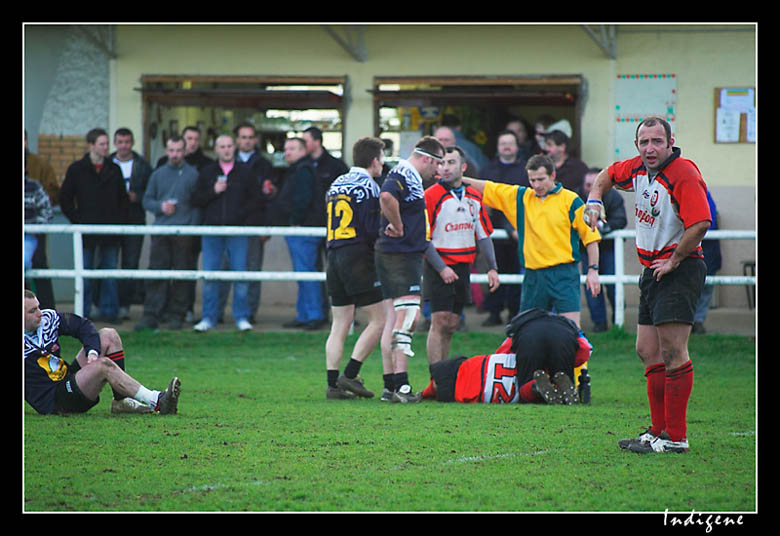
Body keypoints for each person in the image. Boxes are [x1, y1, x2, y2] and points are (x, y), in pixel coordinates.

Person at [585, 116, 711, 454]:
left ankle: (676, 437)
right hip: (652, 270)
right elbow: (607, 175)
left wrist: (674, 260)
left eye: (657, 141)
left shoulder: (683, 173)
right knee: (647, 350)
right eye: (644, 142)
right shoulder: (638, 168)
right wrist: (594, 198)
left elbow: (699, 224)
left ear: (671, 142)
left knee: (673, 352)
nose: (650, 148)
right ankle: (657, 431)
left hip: (679, 269)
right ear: (637, 145)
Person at [464, 154, 602, 329]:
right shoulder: (521, 197)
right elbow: (488, 187)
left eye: (541, 179)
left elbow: (591, 237)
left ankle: (577, 357)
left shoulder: (571, 200)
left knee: (572, 330)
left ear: (552, 176)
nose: (536, 185)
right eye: (532, 180)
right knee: (527, 330)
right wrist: (458, 179)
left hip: (564, 274)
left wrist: (593, 270)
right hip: (533, 275)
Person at [24, 290, 181, 416]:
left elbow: (82, 325)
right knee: (103, 366)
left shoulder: (47, 319)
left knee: (108, 335)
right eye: (33, 311)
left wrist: (93, 351)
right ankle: (158, 401)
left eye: (38, 307)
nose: (40, 313)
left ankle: (121, 401)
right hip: (56, 400)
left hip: (67, 380)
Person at [375, 136, 445, 403]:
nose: (437, 172)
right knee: (408, 318)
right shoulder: (404, 172)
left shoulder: (409, 175)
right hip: (401, 255)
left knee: (394, 320)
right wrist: (400, 226)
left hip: (398, 254)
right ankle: (402, 386)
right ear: (426, 158)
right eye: (436, 164)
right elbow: (386, 196)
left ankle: (389, 385)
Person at [421, 308, 592, 405]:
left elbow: (502, 352)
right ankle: (565, 388)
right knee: (560, 375)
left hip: (528, 337)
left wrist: (423, 394)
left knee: (525, 388)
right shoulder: (567, 325)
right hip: (564, 337)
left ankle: (535, 388)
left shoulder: (519, 327)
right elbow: (585, 350)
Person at [424, 145, 499, 365]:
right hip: (439, 266)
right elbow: (423, 238)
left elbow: (484, 235)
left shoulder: (474, 196)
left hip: (463, 267)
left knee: (452, 324)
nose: (445, 168)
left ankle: (443, 375)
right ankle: (435, 379)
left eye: (451, 163)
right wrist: (441, 268)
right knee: (439, 321)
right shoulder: (431, 196)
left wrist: (492, 267)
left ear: (463, 167)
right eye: (442, 163)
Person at [324, 137, 387, 399]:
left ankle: (332, 385)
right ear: (374, 161)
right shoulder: (370, 186)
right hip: (356, 255)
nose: (383, 164)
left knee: (340, 322)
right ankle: (350, 375)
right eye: (382, 158)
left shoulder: (336, 183)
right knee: (380, 319)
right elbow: (371, 229)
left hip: (333, 253)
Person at [190, 134, 263, 332]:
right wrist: (213, 191)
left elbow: (256, 200)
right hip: (212, 230)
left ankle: (241, 318)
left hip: (238, 231)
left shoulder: (245, 172)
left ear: (235, 147)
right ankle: (208, 318)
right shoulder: (207, 172)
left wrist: (241, 218)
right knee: (211, 276)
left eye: (230, 146)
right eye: (222, 146)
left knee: (240, 276)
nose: (226, 149)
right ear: (216, 149)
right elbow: (195, 199)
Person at [59, 128, 129, 322]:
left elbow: (123, 200)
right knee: (85, 273)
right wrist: (77, 221)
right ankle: (84, 312)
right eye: (102, 144)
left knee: (109, 273)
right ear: (91, 146)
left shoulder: (114, 170)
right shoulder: (76, 169)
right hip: (86, 231)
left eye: (107, 144)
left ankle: (110, 312)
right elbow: (64, 198)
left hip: (110, 231)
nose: (106, 147)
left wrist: (117, 222)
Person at [135, 136, 201, 331]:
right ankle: (151, 315)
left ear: (185, 151)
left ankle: (177, 316)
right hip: (161, 230)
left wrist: (193, 229)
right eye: (171, 151)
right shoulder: (158, 174)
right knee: (156, 273)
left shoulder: (193, 175)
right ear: (166, 150)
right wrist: (161, 207)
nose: (175, 155)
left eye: (179, 150)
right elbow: (147, 200)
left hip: (184, 232)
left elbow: (197, 205)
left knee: (181, 275)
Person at [275, 137, 327, 330]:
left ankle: (313, 315)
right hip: (301, 228)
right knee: (303, 273)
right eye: (286, 148)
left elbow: (302, 200)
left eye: (292, 148)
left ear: (303, 151)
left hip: (303, 229)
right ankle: (304, 314)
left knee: (306, 273)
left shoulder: (303, 170)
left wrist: (295, 221)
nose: (287, 152)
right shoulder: (298, 169)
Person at [478, 130, 529, 326]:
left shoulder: (525, 170)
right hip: (493, 232)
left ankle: (515, 314)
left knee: (517, 274)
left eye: (510, 143)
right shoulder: (487, 170)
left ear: (517, 147)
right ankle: (494, 312)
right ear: (498, 147)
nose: (506, 147)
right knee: (494, 271)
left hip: (519, 231)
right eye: (502, 143)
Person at [227, 122, 274, 324]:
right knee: (224, 269)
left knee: (252, 269)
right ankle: (218, 314)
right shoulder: (226, 162)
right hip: (229, 226)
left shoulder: (265, 165)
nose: (246, 141)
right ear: (237, 140)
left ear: (255, 140)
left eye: (250, 137)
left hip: (255, 225)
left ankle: (249, 313)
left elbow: (270, 198)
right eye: (243, 137)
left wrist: (266, 227)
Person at [577, 168, 627, 332]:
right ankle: (599, 323)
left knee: (613, 286)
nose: (590, 188)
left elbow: (620, 219)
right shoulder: (577, 197)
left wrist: (602, 226)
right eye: (587, 185)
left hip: (608, 248)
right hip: (586, 249)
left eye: (594, 185)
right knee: (591, 286)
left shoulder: (613, 197)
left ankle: (617, 320)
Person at [110, 128, 153, 319]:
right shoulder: (108, 164)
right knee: (108, 263)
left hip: (135, 220)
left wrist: (139, 197)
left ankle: (125, 305)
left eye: (127, 142)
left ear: (133, 142)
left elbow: (152, 192)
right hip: (111, 220)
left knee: (130, 263)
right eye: (120, 142)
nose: (124, 146)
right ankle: (107, 304)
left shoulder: (143, 166)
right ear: (115, 143)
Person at [25, 130, 59, 309]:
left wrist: (36, 226)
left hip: (35, 234)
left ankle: (47, 310)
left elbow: (51, 196)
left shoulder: (40, 167)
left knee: (39, 266)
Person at [692, 190, 722, 334]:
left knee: (706, 286)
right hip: (688, 250)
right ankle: (686, 321)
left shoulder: (704, 195)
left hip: (707, 251)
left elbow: (709, 223)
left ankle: (697, 321)